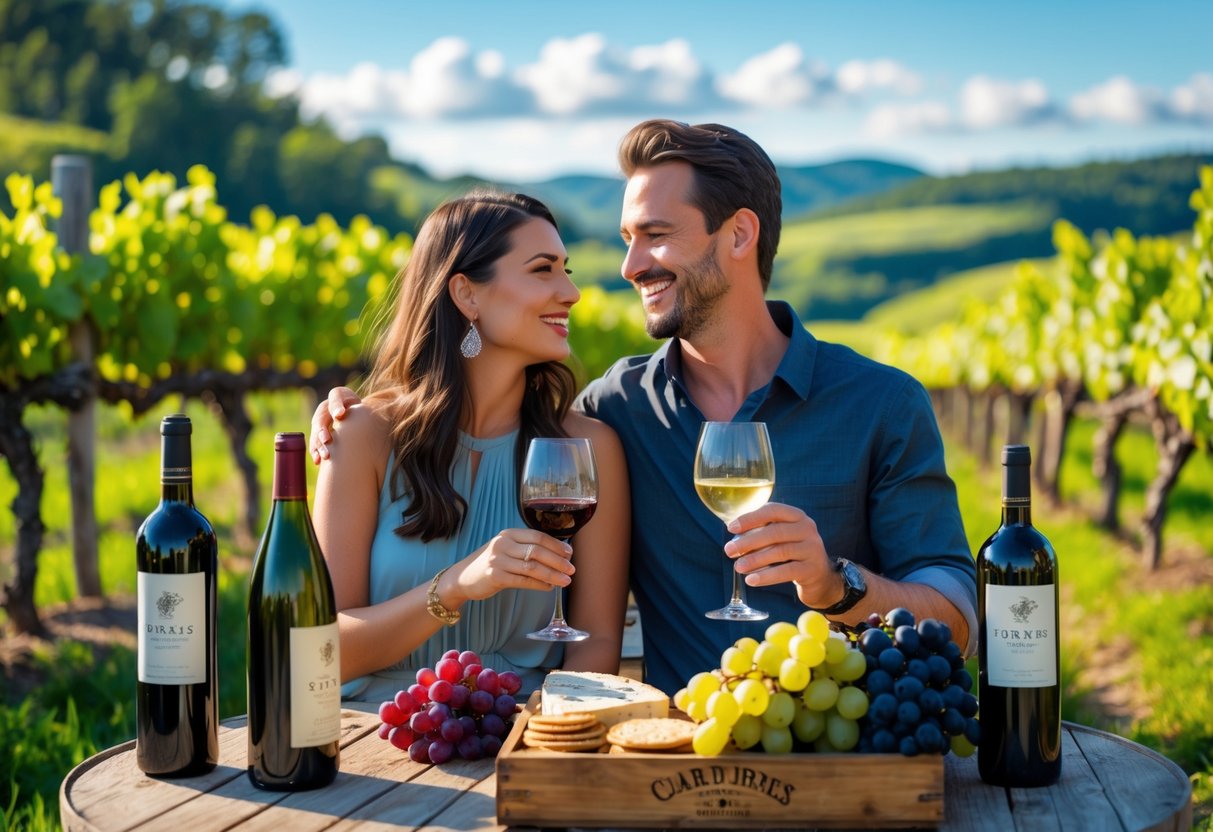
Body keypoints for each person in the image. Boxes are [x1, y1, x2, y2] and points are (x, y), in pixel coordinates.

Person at [312, 121, 976, 695]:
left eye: (653, 235)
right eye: (625, 237)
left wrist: (838, 586)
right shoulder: (618, 412)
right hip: (672, 759)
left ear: (739, 235)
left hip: (848, 755)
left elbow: (958, 623)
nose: (627, 266)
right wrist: (354, 416)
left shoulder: (880, 404)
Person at [311, 189, 630, 703]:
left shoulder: (587, 448)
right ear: (467, 294)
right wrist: (457, 584)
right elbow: (321, 648)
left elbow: (597, 643)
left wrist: (539, 735)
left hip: (522, 729)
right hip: (376, 734)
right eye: (544, 269)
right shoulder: (362, 435)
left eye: (565, 269)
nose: (571, 292)